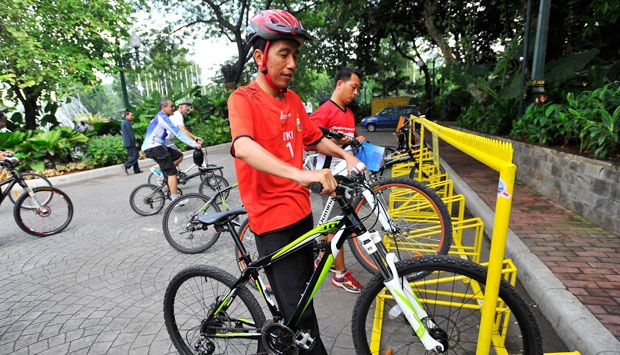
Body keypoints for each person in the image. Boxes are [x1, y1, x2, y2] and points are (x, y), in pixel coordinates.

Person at [228, 9, 362, 355]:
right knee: (299, 321)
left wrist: (347, 157)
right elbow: (243, 147)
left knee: (301, 305)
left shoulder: (291, 100)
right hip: (272, 221)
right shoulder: (243, 99)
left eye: (294, 56)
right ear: (260, 56)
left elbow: (314, 138)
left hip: (301, 214)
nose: (291, 64)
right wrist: (306, 175)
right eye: (283, 54)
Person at [309, 66, 366, 293]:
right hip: (329, 177)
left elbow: (346, 139)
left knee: (337, 223)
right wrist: (339, 145)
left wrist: (354, 140)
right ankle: (340, 275)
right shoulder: (324, 111)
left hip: (346, 176)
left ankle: (325, 259)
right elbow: (309, 141)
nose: (356, 93)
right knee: (336, 227)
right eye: (354, 87)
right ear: (340, 84)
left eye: (358, 89)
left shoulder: (349, 114)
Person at [142, 98, 201, 201]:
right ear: (163, 108)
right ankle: (175, 200)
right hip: (154, 148)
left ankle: (165, 174)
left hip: (158, 146)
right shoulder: (162, 118)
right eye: (171, 106)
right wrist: (194, 144)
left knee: (178, 156)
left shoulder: (163, 117)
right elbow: (178, 133)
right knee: (172, 172)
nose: (173, 108)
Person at [150, 100, 201, 178]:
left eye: (188, 107)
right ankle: (163, 174)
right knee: (178, 156)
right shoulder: (177, 115)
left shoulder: (177, 115)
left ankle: (173, 175)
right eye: (186, 106)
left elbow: (184, 130)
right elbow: (182, 131)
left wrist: (194, 138)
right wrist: (194, 143)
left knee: (175, 157)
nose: (187, 109)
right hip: (164, 140)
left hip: (166, 140)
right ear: (180, 107)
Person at [120, 110, 142, 175]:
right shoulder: (127, 122)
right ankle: (126, 165)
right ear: (126, 115)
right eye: (131, 115)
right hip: (130, 142)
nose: (132, 116)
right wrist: (135, 142)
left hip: (127, 142)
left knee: (133, 155)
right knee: (136, 155)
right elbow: (130, 133)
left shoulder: (123, 122)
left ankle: (136, 170)